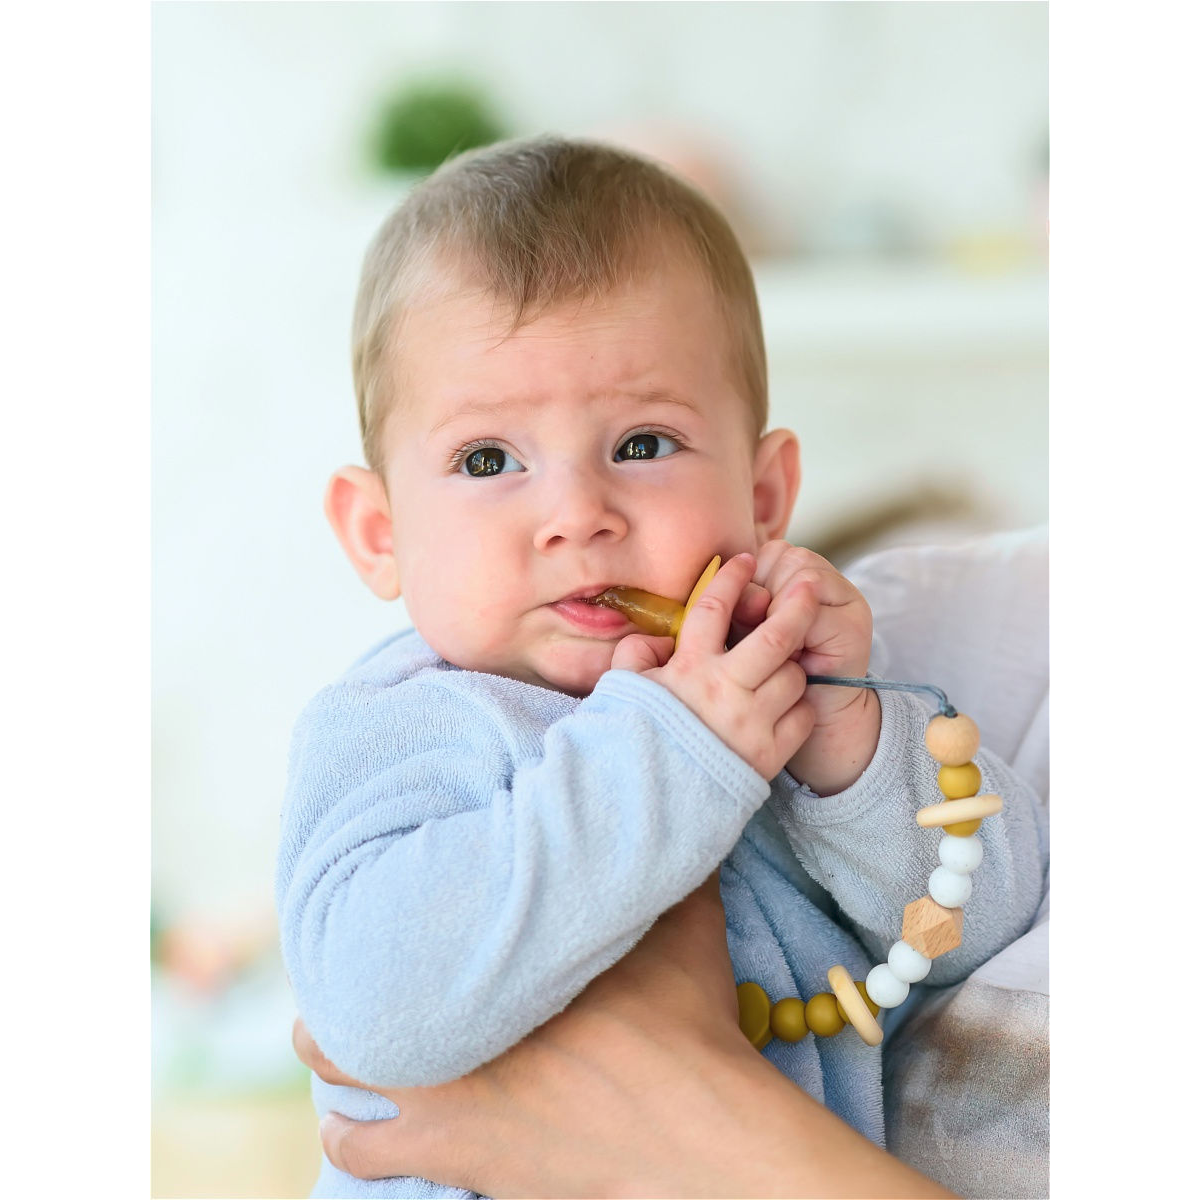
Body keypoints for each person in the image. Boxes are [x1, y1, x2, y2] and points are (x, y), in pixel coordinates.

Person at [276, 135, 1048, 1199]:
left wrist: (846, 749)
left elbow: (977, 927)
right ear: (378, 533)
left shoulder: (774, 706)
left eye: (642, 444)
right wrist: (678, 745)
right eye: (488, 460)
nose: (577, 515)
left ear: (766, 496)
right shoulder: (405, 726)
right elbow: (375, 1009)